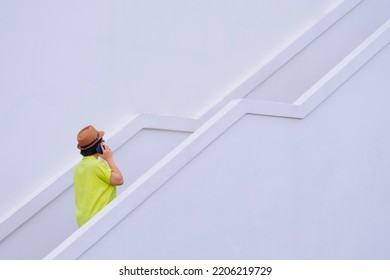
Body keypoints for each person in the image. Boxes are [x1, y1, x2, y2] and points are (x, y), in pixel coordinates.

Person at [74, 125, 124, 227]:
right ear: (99, 146)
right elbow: (119, 180)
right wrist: (109, 158)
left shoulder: (78, 169)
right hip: (100, 219)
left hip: (83, 221)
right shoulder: (96, 165)